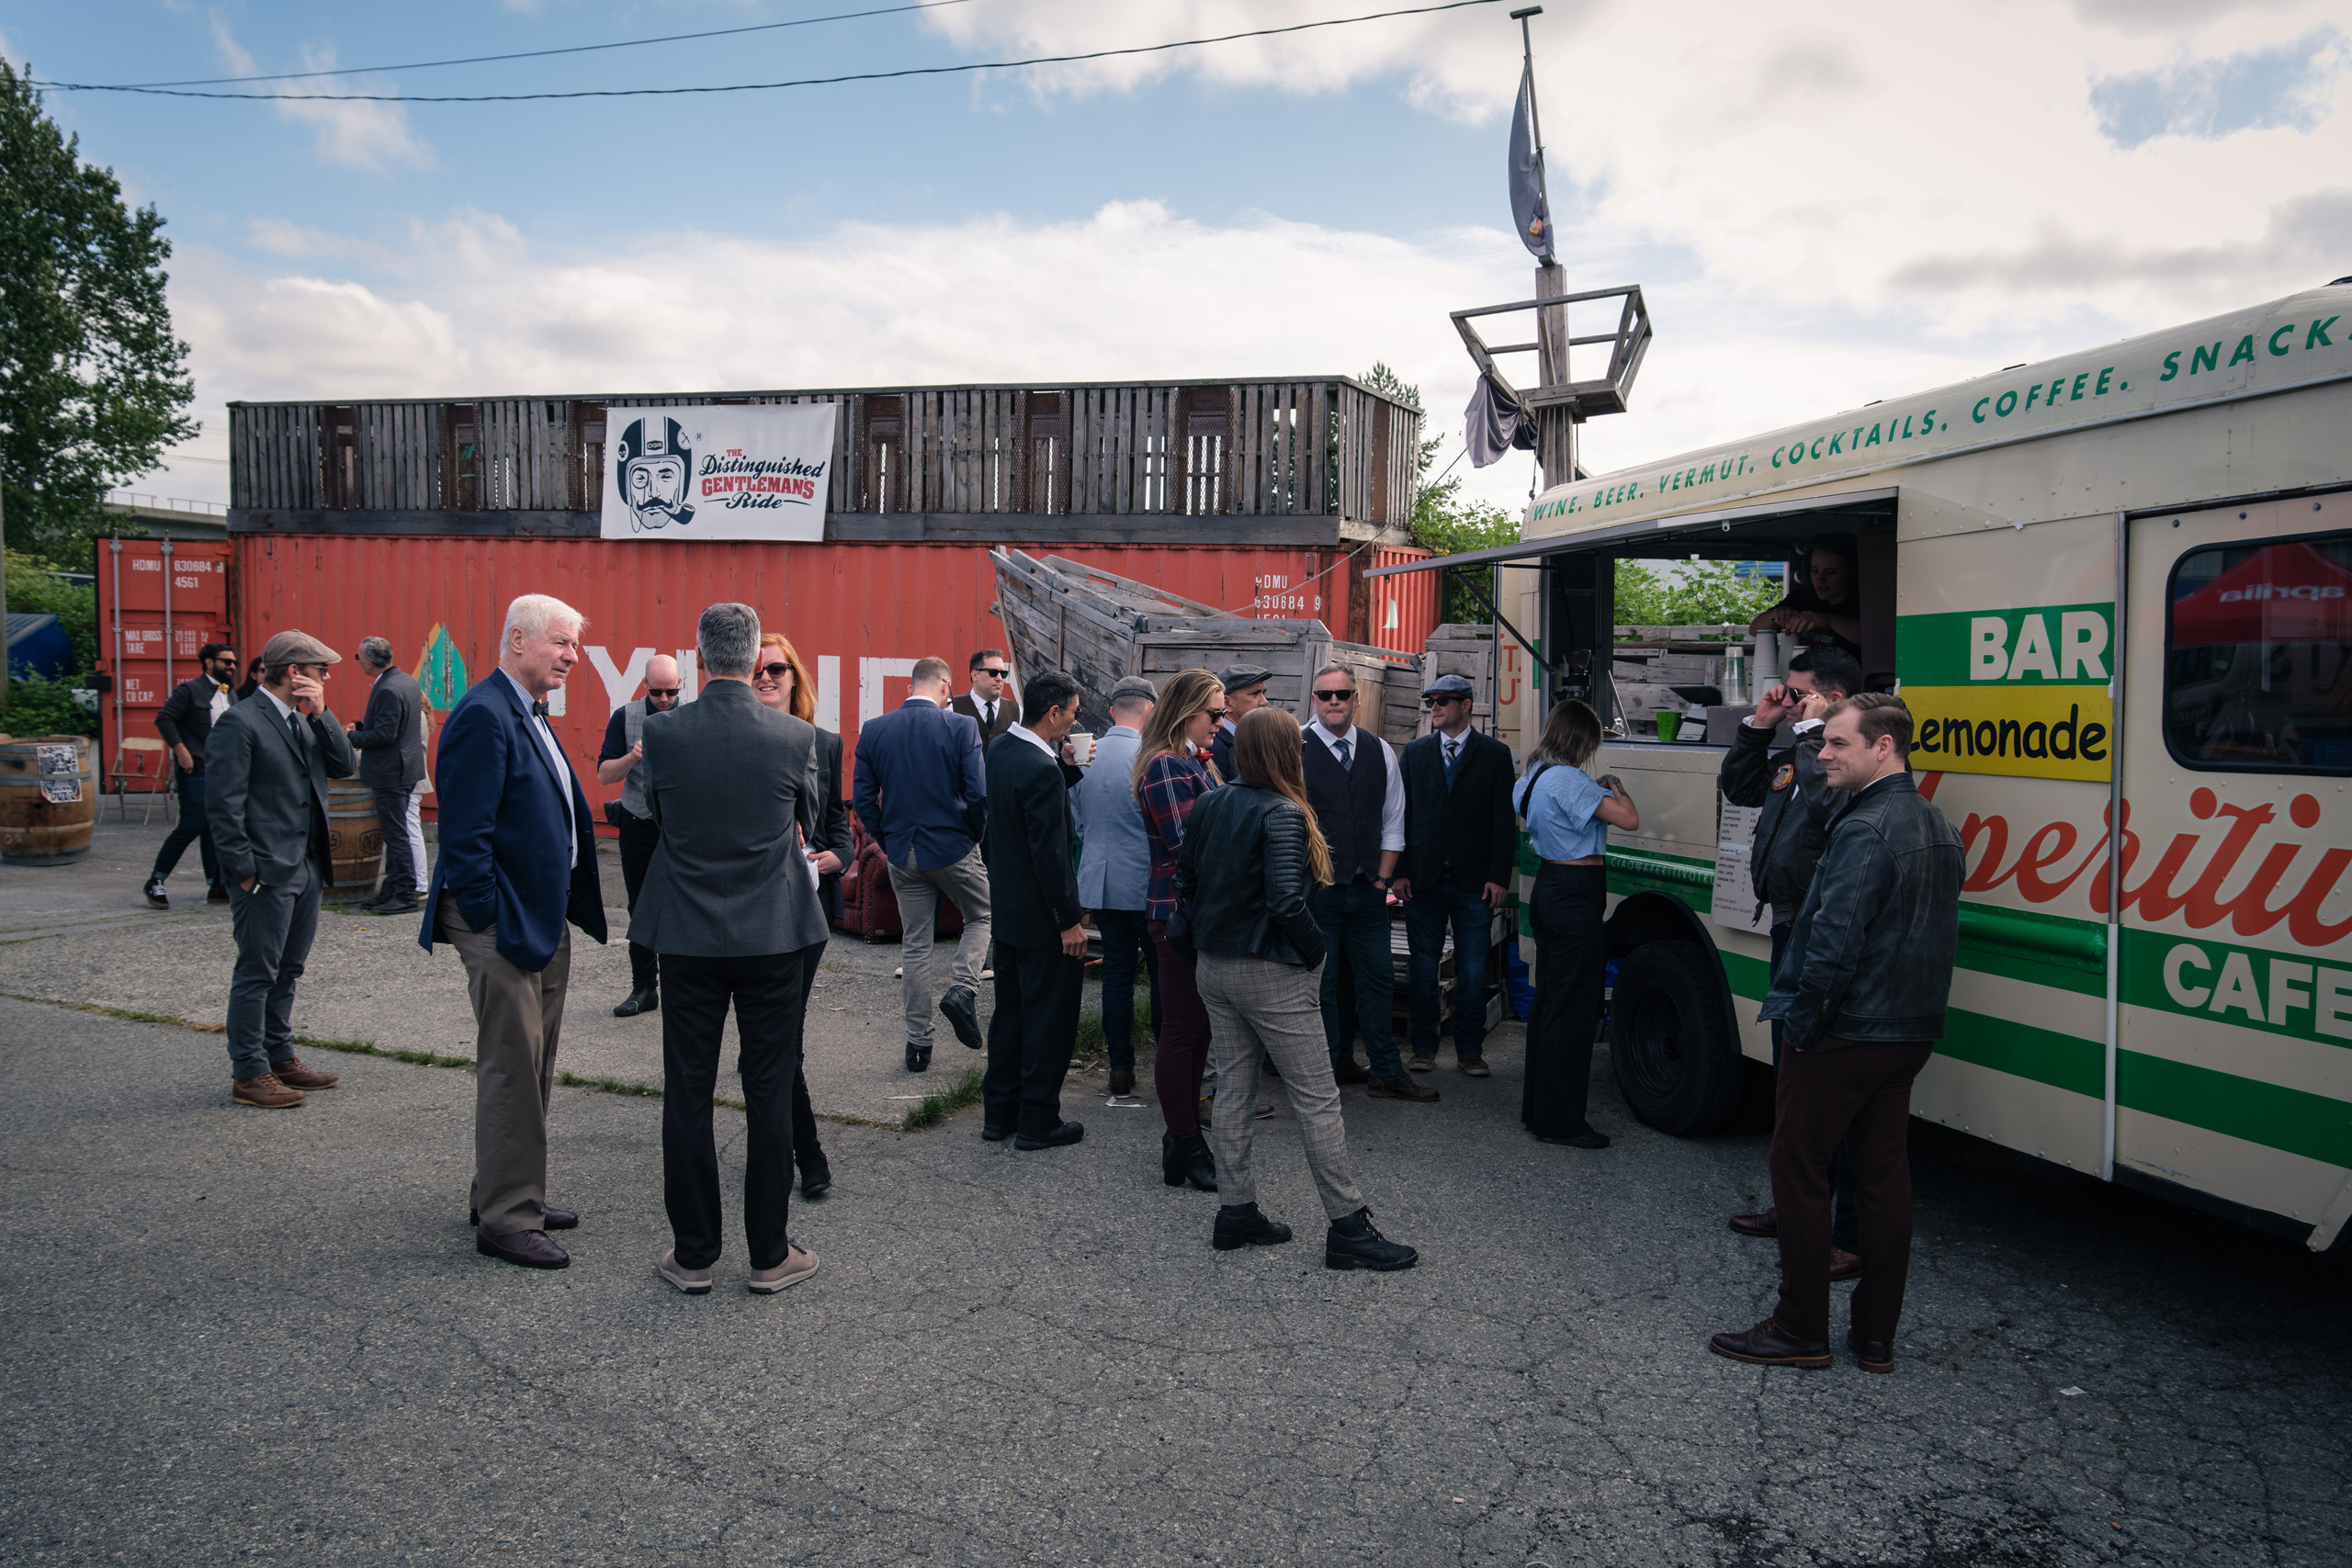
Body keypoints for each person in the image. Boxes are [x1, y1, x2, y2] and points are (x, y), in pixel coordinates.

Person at [1710, 694, 1961, 1374]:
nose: (1822, 754)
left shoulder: (1865, 828)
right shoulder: (1935, 822)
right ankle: (1875, 1337)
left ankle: (1799, 1327)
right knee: (1884, 1178)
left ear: (1884, 747)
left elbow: (1832, 944)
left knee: (1798, 1167)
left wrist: (1805, 1025)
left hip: (1846, 1031)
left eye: (1838, 744)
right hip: (1906, 1032)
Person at [631, 604, 831, 1295]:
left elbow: (660, 814)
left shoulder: (662, 734)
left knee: (687, 1090)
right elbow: (806, 818)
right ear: (753, 662)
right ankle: (770, 1254)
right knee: (769, 1088)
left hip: (686, 935)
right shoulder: (794, 735)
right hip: (773, 933)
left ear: (697, 658)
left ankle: (693, 1256)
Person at [1177, 706, 1419, 1270]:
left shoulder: (1211, 800)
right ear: (1287, 751)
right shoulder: (1284, 811)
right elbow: (1286, 900)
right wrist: (1318, 953)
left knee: (1235, 1089)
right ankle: (1348, 1227)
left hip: (1214, 965)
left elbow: (1184, 877)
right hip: (1270, 969)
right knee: (1317, 1098)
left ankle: (1235, 1212)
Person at [421, 593, 607, 1271]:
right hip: (502, 921)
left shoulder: (526, 710)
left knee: (534, 1063)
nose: (571, 656)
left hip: (540, 914)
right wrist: (491, 918)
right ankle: (506, 1218)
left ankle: (506, 1190)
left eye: (575, 646)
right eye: (561, 642)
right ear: (518, 639)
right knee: (511, 1068)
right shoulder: (483, 714)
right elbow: (463, 837)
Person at [1718, 645, 1864, 1272]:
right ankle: (1797, 1206)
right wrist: (1760, 725)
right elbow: (1740, 785)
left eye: (1802, 692)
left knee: (1830, 1087)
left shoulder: (1845, 762)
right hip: (1786, 928)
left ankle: (1846, 1232)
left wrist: (1811, 732)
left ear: (1835, 700)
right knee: (1790, 1083)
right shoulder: (1795, 751)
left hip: (1823, 937)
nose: (1792, 700)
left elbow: (1828, 802)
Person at [204, 630, 356, 1109]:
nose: (326, 677)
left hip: (305, 867)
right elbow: (222, 807)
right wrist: (244, 871)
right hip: (266, 872)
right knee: (258, 972)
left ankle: (280, 1057)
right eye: (320, 670)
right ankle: (249, 1073)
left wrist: (324, 714)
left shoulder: (303, 720)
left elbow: (345, 765)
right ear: (295, 673)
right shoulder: (241, 722)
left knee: (288, 969)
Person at [1298, 663, 1434, 1103]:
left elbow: (1394, 820)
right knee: (1324, 985)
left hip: (1368, 890)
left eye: (1342, 694)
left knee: (1377, 979)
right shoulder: (1295, 747)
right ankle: (1331, 1067)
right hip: (1318, 893)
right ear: (1313, 700)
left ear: (1357, 699)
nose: (1334, 701)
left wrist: (1382, 880)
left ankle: (1386, 1071)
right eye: (1325, 695)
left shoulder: (1380, 750)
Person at [852, 656, 991, 1072]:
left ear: (909, 688)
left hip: (902, 853)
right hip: (952, 848)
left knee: (915, 946)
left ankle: (918, 1047)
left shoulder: (876, 729)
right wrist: (973, 836)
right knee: (981, 916)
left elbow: (862, 801)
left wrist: (887, 840)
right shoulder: (961, 726)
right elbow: (978, 794)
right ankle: (963, 988)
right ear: (947, 688)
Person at [751, 630, 849, 1201]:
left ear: (795, 677)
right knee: (773, 1044)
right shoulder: (736, 737)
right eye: (759, 670)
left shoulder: (824, 742)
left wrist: (834, 856)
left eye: (777, 670)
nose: (767, 677)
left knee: (781, 1041)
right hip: (748, 906)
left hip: (803, 908)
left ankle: (801, 1156)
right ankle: (797, 1152)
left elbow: (838, 823)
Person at [1515, 699, 1639, 1149]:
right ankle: (1562, 1122)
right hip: (1575, 892)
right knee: (1574, 1011)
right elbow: (1629, 819)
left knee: (1549, 1006)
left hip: (1548, 885)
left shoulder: (1530, 776)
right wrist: (1615, 788)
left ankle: (1538, 1112)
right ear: (1582, 740)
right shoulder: (1571, 779)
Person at [979, 668, 1090, 1150]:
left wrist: (1066, 765)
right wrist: (1069, 921)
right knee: (1049, 1021)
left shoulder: (1003, 748)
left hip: (1008, 911)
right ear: (1053, 712)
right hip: (1044, 919)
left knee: (1011, 1017)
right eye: (1072, 714)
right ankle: (1038, 1120)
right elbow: (1050, 854)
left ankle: (999, 1114)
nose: (1073, 723)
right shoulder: (1041, 769)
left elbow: (1019, 812)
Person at [1396, 673, 1517, 1077]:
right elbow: (1399, 815)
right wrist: (1398, 871)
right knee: (1423, 965)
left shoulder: (1495, 755)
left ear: (1466, 705)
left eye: (1444, 700)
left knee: (1473, 968)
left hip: (1474, 882)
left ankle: (1469, 1048)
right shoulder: (1414, 753)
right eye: (1431, 700)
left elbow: (1504, 822)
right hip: (1423, 879)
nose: (1435, 707)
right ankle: (1424, 1046)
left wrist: (1499, 876)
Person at [1134, 669, 1226, 1189]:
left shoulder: (1189, 761)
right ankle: (1185, 1141)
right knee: (1183, 1031)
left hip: (1190, 912)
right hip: (1177, 912)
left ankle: (1182, 1142)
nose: (1220, 722)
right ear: (1185, 713)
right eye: (1214, 713)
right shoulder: (1168, 766)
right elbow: (1189, 847)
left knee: (1198, 1031)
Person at [1072, 675, 1160, 1100]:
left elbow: (1077, 821)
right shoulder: (1153, 755)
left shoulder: (1085, 753)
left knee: (1117, 977)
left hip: (1100, 879)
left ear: (1112, 711)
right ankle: (1169, 1067)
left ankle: (1120, 1069)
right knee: (1162, 976)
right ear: (1150, 710)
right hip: (1146, 883)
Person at [595, 653, 683, 1019]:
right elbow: (603, 775)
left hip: (679, 828)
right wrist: (632, 757)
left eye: (672, 692)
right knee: (639, 909)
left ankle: (683, 989)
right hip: (638, 824)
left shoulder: (691, 715)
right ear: (645, 686)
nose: (664, 699)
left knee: (682, 910)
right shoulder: (625, 717)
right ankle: (645, 987)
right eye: (658, 692)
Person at [144, 640, 239, 909]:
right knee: (193, 824)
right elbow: (164, 718)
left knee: (213, 827)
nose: (232, 666)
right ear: (209, 662)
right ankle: (155, 881)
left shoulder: (230, 694)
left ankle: (216, 885)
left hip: (225, 772)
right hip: (197, 769)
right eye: (226, 662)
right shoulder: (189, 690)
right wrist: (181, 750)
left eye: (234, 663)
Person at [345, 637, 428, 916]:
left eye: (357, 659)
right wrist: (362, 725)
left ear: (369, 662)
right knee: (396, 833)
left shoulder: (387, 689)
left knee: (396, 835)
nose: (358, 663)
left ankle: (404, 893)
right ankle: (393, 889)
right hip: (405, 769)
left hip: (391, 772)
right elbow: (394, 723)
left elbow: (384, 734)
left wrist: (352, 736)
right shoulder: (405, 681)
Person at [1749, 532, 1863, 662]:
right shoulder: (1803, 597)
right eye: (1814, 570)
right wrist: (1777, 615)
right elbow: (1754, 629)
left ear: (1851, 571)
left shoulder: (1863, 603)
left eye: (1831, 572)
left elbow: (1874, 637)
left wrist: (1829, 620)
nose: (1820, 579)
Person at [1209, 662, 1272, 784]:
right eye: (1255, 693)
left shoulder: (1252, 738)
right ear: (1226, 703)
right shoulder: (1213, 745)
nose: (1264, 702)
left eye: (1263, 693)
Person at [950, 648, 1020, 751]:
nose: (1000, 678)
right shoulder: (952, 708)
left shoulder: (1017, 711)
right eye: (993, 672)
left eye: (1003, 673)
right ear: (974, 675)